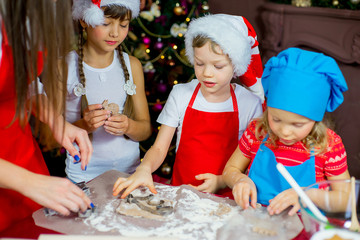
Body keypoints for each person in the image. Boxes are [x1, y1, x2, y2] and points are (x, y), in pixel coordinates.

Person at [113, 14, 264, 199]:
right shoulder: (181, 94)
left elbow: (250, 161)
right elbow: (160, 148)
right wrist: (144, 169)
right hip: (182, 193)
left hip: (228, 198)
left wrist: (220, 181)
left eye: (218, 66)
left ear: (236, 64)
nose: (207, 73)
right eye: (200, 64)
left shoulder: (249, 103)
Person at [0, 0, 94, 232]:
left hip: (21, 152)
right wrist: (30, 183)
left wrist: (57, 122)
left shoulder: (33, 18)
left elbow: (25, 83)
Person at [222, 47, 351, 216]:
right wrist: (239, 180)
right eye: (276, 119)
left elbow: (346, 200)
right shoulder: (257, 131)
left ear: (316, 119)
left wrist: (307, 195)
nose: (284, 132)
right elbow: (230, 169)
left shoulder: (329, 145)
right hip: (253, 220)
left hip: (304, 227)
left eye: (297, 125)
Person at [68, 0, 151, 183]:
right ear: (84, 20)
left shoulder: (133, 66)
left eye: (123, 25)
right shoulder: (64, 67)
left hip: (129, 175)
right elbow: (49, 133)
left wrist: (128, 126)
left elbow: (145, 129)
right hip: (83, 177)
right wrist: (84, 125)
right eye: (105, 23)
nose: (115, 33)